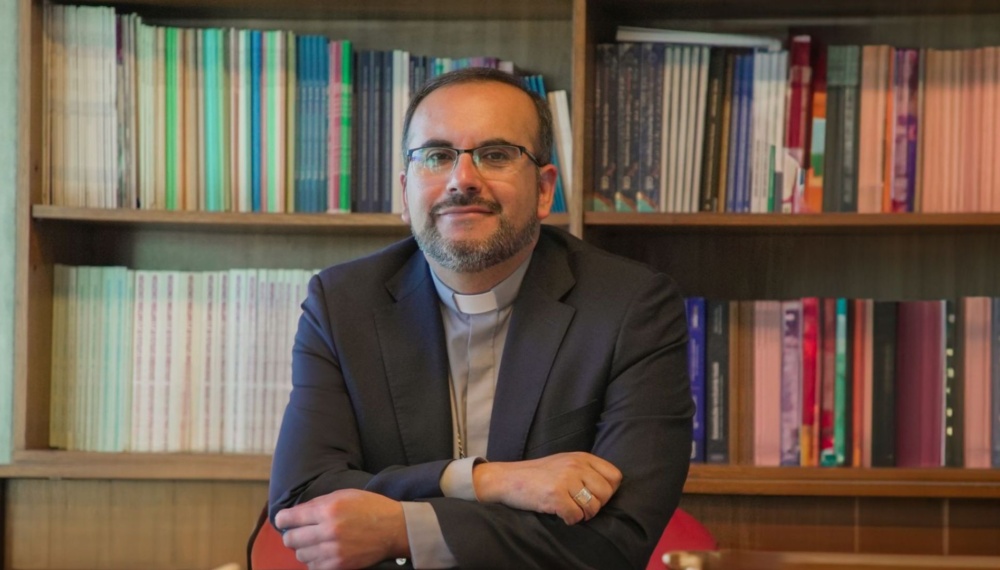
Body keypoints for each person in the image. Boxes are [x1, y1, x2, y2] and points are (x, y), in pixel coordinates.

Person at [269, 67, 694, 570]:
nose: (462, 179)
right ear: (405, 191)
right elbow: (302, 499)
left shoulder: (631, 307)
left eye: (495, 155)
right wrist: (486, 479)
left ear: (544, 189)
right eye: (437, 156)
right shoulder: (341, 303)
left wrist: (402, 529)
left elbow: (618, 540)